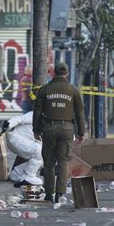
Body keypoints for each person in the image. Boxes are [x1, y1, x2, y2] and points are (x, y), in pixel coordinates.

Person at [32, 62, 85, 203]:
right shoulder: (73, 90)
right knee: (63, 162)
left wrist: (36, 130)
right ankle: (60, 194)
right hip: (67, 129)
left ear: (53, 73)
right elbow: (80, 112)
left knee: (48, 163)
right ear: (66, 73)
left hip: (48, 129)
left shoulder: (44, 89)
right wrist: (81, 132)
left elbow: (37, 111)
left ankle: (49, 193)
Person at [2, 111, 43, 187]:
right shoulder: (37, 114)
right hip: (16, 137)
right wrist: (9, 124)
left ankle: (16, 174)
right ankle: (29, 176)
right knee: (39, 151)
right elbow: (20, 119)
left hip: (26, 141)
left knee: (44, 155)